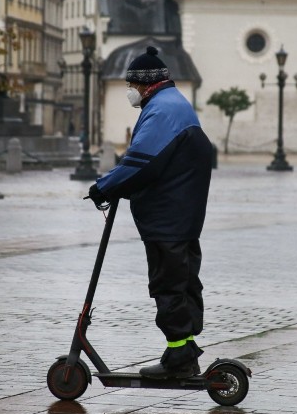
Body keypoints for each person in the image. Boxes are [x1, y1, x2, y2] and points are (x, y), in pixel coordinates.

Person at [88, 46, 212, 380]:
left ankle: (179, 360)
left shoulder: (161, 111)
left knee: (168, 285)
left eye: (131, 85)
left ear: (144, 85)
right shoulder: (175, 104)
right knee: (182, 283)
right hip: (181, 215)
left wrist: (104, 187)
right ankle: (182, 350)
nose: (129, 91)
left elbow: (140, 162)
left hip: (167, 219)